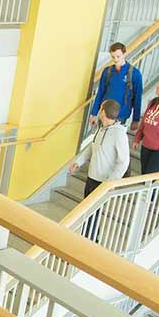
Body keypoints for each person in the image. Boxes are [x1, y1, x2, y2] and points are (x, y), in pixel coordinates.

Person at [70, 99, 131, 239]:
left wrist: (111, 182)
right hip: (92, 177)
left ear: (103, 112)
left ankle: (88, 239)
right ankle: (91, 237)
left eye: (100, 108)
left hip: (103, 182)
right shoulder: (100, 128)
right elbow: (92, 147)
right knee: (88, 210)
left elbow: (123, 161)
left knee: (92, 211)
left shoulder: (119, 134)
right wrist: (78, 162)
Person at [89, 42, 142, 128]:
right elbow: (100, 93)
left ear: (124, 54)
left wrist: (136, 119)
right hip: (104, 113)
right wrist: (94, 113)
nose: (115, 59)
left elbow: (137, 98)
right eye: (113, 57)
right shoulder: (107, 71)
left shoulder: (135, 74)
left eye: (118, 56)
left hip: (121, 115)